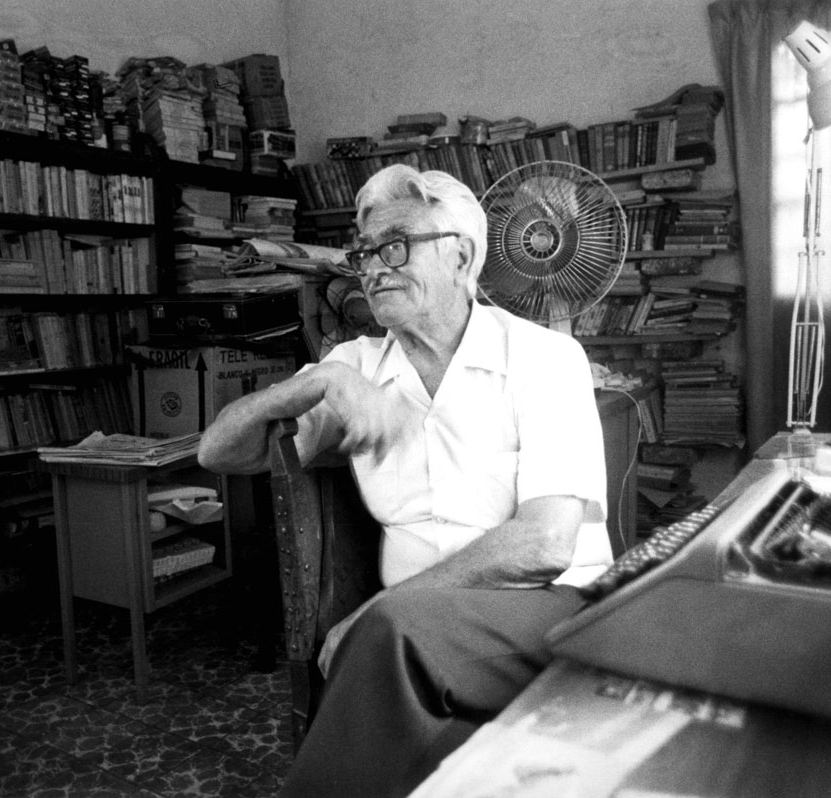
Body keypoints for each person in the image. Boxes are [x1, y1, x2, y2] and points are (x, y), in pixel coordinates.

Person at [197, 164, 612, 797]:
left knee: (387, 639)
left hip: (547, 609)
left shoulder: (544, 357)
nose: (372, 268)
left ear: (460, 257)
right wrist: (315, 382)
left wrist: (381, 609)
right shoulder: (354, 369)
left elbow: (545, 544)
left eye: (394, 246)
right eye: (363, 252)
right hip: (415, 632)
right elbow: (218, 452)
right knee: (398, 676)